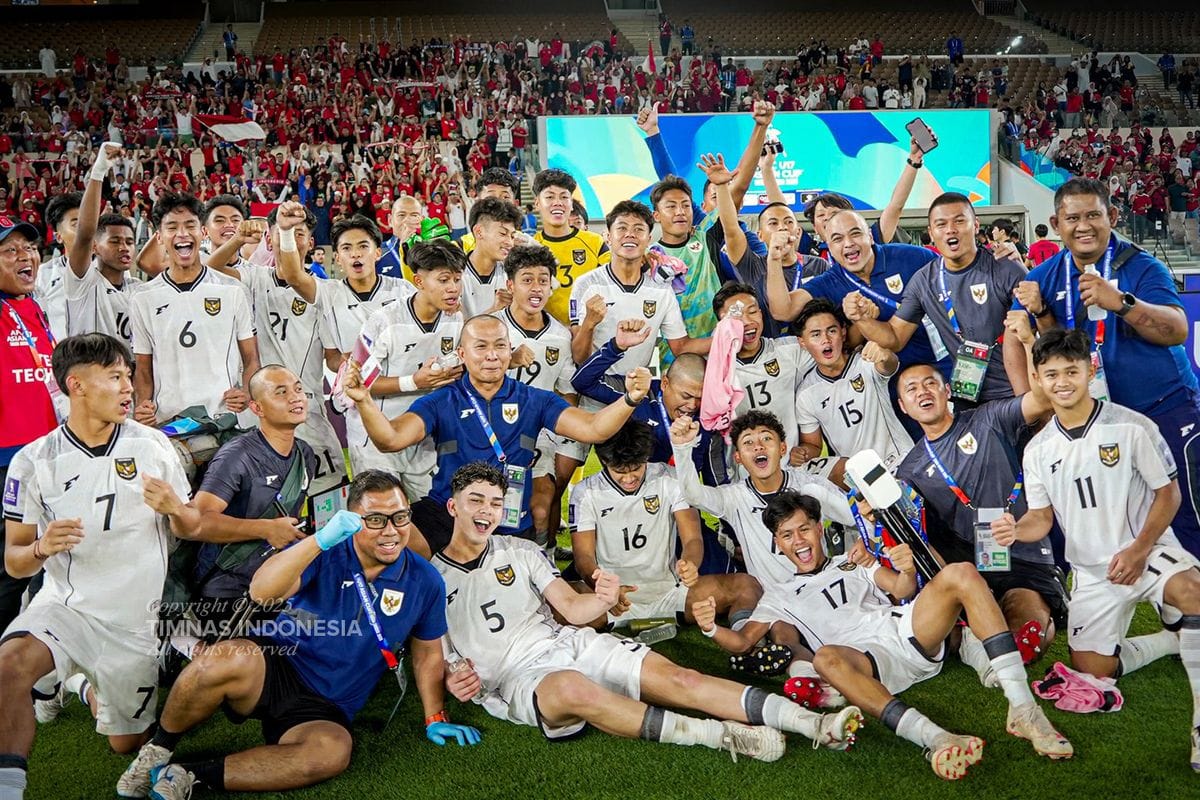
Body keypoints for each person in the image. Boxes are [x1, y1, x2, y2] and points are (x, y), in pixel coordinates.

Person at [436, 463, 863, 759]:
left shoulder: (522, 550)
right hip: (516, 678)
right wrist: (449, 682)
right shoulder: (431, 577)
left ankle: (813, 724)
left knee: (683, 677)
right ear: (454, 507)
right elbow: (427, 652)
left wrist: (601, 599)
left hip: (566, 642)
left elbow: (570, 606)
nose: (486, 512)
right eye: (476, 501)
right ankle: (720, 736)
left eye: (494, 503)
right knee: (571, 689)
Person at [116, 470, 476, 798]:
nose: (391, 530)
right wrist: (319, 540)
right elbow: (261, 592)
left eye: (399, 518)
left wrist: (434, 716)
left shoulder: (425, 580)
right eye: (376, 520)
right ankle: (157, 750)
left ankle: (189, 776)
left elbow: (428, 652)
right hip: (276, 664)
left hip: (327, 704)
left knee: (332, 753)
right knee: (222, 658)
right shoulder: (326, 550)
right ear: (351, 521)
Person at [696, 490, 1073, 780]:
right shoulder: (777, 594)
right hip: (866, 663)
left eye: (805, 528)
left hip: (907, 633)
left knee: (960, 572)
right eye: (787, 534)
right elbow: (743, 642)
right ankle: (936, 739)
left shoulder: (853, 562)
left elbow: (904, 589)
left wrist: (906, 567)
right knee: (826, 656)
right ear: (778, 544)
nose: (799, 540)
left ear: (819, 527)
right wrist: (712, 627)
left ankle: (1023, 708)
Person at [993, 328, 1200, 772]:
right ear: (1038, 379)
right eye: (1051, 374)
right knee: (1093, 669)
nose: (1062, 382)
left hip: (1145, 554)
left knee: (1192, 590)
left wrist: (1141, 549)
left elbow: (1169, 495)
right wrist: (1014, 530)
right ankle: (1169, 640)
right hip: (1090, 574)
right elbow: (1041, 520)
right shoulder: (1037, 450)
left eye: (1072, 371)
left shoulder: (1131, 426)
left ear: (1089, 370)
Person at [0, 334, 193, 800]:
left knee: (124, 744)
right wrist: (43, 548)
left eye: (129, 376)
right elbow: (15, 561)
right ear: (77, 385)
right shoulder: (32, 462)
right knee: (7, 667)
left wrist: (176, 510)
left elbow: (190, 528)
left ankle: (82, 683)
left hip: (133, 624)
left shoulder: (154, 447)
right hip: (68, 609)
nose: (129, 387)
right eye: (115, 377)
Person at [343, 314, 652, 553]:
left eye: (500, 346)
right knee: (397, 540)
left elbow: (593, 428)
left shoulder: (533, 399)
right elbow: (390, 439)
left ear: (509, 351)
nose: (492, 355)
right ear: (462, 354)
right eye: (481, 346)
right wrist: (364, 400)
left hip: (508, 518)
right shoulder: (441, 400)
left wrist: (630, 399)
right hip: (448, 513)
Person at [1012, 177, 1200, 559]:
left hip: (1163, 405)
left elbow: (1177, 330)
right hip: (1097, 421)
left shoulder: (1143, 267)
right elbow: (1035, 347)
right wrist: (1027, 401)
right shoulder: (1042, 278)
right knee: (1098, 512)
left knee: (1185, 511)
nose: (1083, 226)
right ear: (1057, 222)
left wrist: (1122, 303)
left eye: (1094, 215)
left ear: (1112, 216)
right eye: (1073, 217)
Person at [893, 321, 1068, 669]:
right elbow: (917, 539)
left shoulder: (988, 418)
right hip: (971, 568)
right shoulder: (908, 471)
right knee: (939, 638)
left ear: (946, 391)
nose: (922, 392)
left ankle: (999, 627)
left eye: (930, 383)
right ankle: (971, 625)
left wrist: (1030, 341)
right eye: (912, 389)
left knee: (1027, 639)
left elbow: (1041, 398)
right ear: (903, 407)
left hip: (1023, 555)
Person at [569, 420, 761, 630]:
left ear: (646, 458)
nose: (629, 478)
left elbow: (692, 538)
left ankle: (746, 639)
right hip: (612, 599)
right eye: (620, 471)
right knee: (554, 601)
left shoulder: (668, 477)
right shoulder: (585, 492)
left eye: (636, 468)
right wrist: (603, 588)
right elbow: (583, 557)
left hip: (670, 594)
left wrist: (690, 563)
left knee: (746, 585)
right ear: (604, 461)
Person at [208, 201, 346, 493]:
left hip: (305, 407)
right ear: (269, 239)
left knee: (329, 498)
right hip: (256, 410)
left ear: (311, 241)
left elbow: (333, 357)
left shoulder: (326, 291)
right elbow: (211, 267)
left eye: (299, 233)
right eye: (284, 232)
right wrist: (237, 239)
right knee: (261, 500)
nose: (291, 239)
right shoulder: (253, 278)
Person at [846, 193, 1028, 406]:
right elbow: (895, 337)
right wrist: (861, 319)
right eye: (941, 224)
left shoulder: (1005, 267)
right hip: (967, 397)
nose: (950, 229)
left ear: (976, 225)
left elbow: (1037, 333)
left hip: (1016, 392)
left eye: (959, 221)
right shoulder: (924, 281)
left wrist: (1030, 399)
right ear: (931, 233)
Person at [670, 410, 851, 589]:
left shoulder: (810, 487)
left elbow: (858, 518)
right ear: (738, 457)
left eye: (766, 439)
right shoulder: (734, 498)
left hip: (821, 589)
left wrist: (862, 546)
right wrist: (682, 448)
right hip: (773, 603)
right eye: (748, 442)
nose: (758, 446)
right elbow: (692, 494)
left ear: (782, 449)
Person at [129, 193, 259, 426]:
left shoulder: (232, 289)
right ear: (159, 237)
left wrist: (247, 391)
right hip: (168, 421)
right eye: (172, 227)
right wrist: (142, 404)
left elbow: (251, 358)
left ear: (203, 233)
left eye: (191, 225)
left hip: (223, 419)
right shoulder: (143, 298)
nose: (182, 234)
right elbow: (143, 369)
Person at [351, 239, 465, 502]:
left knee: (427, 518)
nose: (453, 288)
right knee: (381, 517)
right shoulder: (384, 320)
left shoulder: (457, 319)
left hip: (424, 438)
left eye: (457, 280)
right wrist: (414, 382)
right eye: (444, 280)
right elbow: (359, 383)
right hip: (376, 441)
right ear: (419, 281)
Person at [495, 245, 584, 543]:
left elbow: (568, 392)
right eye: (527, 279)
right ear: (511, 285)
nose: (536, 288)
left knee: (542, 509)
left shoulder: (559, 336)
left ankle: (544, 565)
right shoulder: (492, 328)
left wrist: (559, 433)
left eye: (543, 280)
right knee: (497, 510)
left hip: (537, 434)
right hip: (490, 431)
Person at [0, 216, 59, 632]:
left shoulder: (32, 306)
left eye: (30, 249)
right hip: (6, 462)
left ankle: (35, 662)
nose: (26, 258)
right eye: (10, 251)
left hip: (45, 455)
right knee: (7, 570)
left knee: (44, 562)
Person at [569, 200, 710, 371]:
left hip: (638, 388)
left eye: (638, 229)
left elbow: (680, 347)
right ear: (607, 237)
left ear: (649, 239)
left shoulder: (661, 289)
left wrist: (726, 337)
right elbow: (579, 357)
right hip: (594, 387)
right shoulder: (586, 284)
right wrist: (589, 323)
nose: (630, 234)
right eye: (621, 228)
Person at [794, 299, 912, 478]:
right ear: (802, 342)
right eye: (816, 334)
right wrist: (802, 453)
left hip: (901, 463)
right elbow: (814, 446)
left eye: (831, 331)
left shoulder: (865, 362)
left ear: (842, 332)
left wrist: (885, 353)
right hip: (861, 480)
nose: (826, 340)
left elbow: (889, 365)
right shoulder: (806, 394)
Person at [712, 283, 811, 453]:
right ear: (722, 323)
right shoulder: (713, 369)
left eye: (752, 312)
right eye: (736, 316)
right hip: (740, 474)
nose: (747, 322)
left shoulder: (791, 351)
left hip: (791, 466)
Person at [531, 169, 610, 326]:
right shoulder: (531, 247)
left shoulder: (595, 242)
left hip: (591, 331)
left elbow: (613, 282)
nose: (558, 202)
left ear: (571, 204)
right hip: (548, 334)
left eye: (564, 197)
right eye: (549, 197)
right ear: (537, 203)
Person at [461, 198, 520, 317]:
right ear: (479, 232)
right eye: (503, 234)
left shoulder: (513, 273)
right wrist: (494, 309)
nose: (509, 242)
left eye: (512, 236)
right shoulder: (454, 275)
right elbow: (451, 332)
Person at [374, 195, 425, 281]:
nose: (407, 220)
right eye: (401, 215)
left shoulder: (432, 252)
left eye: (414, 215)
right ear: (390, 220)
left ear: (421, 220)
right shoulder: (376, 254)